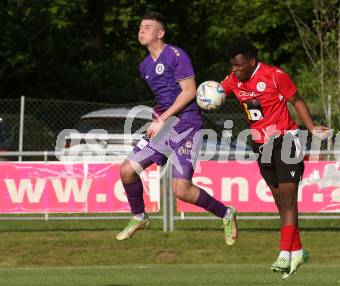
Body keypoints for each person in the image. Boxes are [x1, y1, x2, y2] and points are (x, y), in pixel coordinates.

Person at [117, 11, 237, 246]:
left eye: (148, 27)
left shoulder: (176, 55)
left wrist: (162, 118)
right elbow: (164, 98)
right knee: (127, 171)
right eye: (141, 26)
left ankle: (226, 213)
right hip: (164, 126)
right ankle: (139, 216)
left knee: (181, 190)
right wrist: (158, 120)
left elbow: (190, 91)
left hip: (187, 126)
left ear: (160, 33)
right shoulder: (144, 67)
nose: (142, 30)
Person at [220, 40, 328, 279]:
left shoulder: (275, 76)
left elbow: (297, 100)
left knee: (289, 199)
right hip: (260, 144)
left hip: (286, 140)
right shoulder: (233, 80)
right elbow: (216, 93)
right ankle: (298, 250)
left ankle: (284, 253)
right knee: (280, 201)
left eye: (238, 65)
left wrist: (311, 127)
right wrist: (204, 97)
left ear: (251, 61)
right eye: (232, 66)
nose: (235, 70)